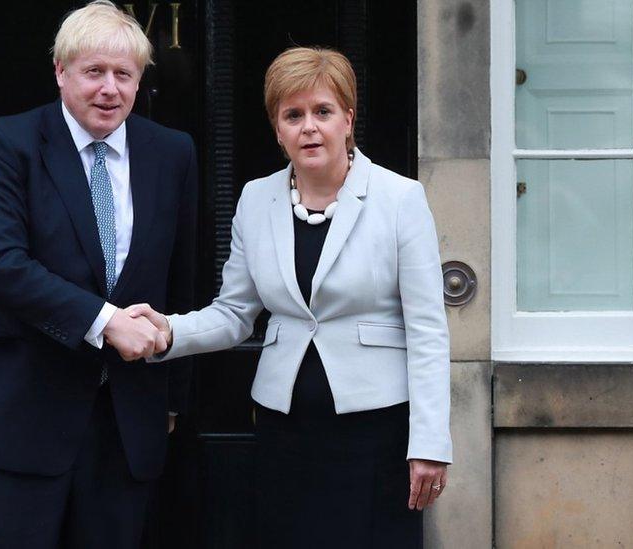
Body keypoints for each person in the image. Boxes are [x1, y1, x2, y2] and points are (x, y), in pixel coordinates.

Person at [130, 47, 451, 547]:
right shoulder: (256, 199)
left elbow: (428, 330)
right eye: (293, 115)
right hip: (285, 430)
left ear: (348, 118)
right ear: (277, 129)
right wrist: (168, 331)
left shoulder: (400, 199)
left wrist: (430, 443)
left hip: (377, 433)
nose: (309, 127)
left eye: (323, 112)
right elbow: (235, 313)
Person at [0, 1, 196, 546]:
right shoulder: (2, 144)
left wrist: (172, 398)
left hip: (126, 428)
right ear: (61, 73)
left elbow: (180, 278)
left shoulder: (171, 153)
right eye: (94, 72)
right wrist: (106, 321)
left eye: (123, 75)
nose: (109, 89)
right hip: (20, 428)